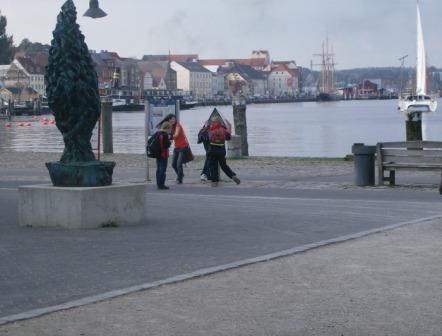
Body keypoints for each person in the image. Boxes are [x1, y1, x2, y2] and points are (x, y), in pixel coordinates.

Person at [207, 116, 241, 187]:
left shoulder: (210, 128)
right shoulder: (223, 129)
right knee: (224, 165)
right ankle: (232, 175)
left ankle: (214, 181)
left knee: (213, 165)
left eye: (213, 121)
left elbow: (206, 137)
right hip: (221, 151)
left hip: (212, 150)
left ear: (214, 122)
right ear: (220, 122)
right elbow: (228, 138)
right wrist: (229, 127)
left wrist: (205, 126)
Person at [161, 114, 189, 184]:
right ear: (169, 120)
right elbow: (170, 138)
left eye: (174, 118)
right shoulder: (171, 127)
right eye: (171, 119)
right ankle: (181, 174)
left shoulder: (178, 125)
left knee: (179, 164)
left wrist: (168, 136)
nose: (173, 120)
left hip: (183, 147)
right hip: (176, 148)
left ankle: (179, 179)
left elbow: (176, 135)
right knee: (173, 164)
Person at [155, 121, 172, 190]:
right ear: (167, 128)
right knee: (163, 169)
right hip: (163, 154)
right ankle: (161, 185)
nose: (170, 130)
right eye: (170, 129)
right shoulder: (165, 135)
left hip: (157, 154)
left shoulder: (157, 133)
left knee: (158, 169)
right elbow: (166, 145)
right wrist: (170, 142)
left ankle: (158, 183)